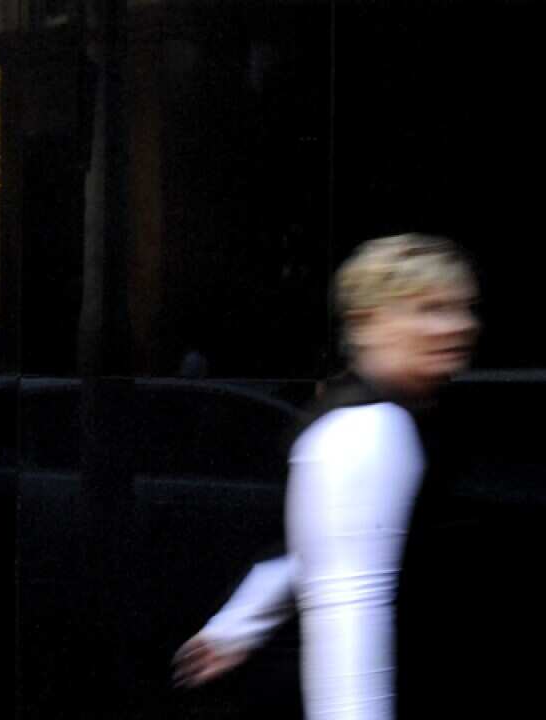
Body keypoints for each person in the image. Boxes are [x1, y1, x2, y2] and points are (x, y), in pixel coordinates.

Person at [173, 234, 480, 719]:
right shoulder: (370, 427)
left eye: (461, 308)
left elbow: (316, 551)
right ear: (367, 323)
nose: (458, 326)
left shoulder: (373, 411)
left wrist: (238, 625)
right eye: (428, 308)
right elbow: (350, 621)